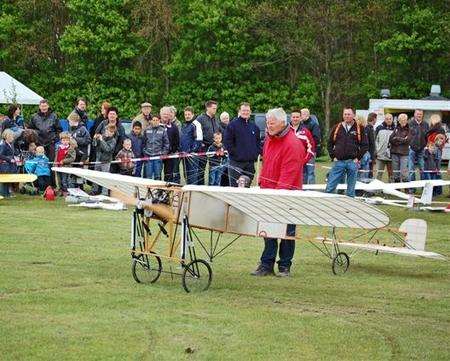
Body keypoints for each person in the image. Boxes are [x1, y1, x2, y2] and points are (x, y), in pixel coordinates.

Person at [251, 108, 306, 277]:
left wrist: (276, 196)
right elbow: (267, 162)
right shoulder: (269, 138)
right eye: (267, 123)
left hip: (287, 195)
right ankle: (266, 264)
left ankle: (284, 265)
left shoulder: (293, 144)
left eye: (272, 123)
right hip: (268, 192)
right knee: (268, 230)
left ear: (283, 122)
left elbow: (288, 175)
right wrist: (261, 182)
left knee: (287, 232)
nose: (268, 126)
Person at [326, 107, 368, 197]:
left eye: (349, 114)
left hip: (352, 162)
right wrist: (333, 156)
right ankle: (327, 203)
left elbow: (365, 145)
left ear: (353, 115)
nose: (347, 116)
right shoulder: (337, 127)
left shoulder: (359, 128)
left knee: (351, 190)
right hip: (339, 162)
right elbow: (329, 143)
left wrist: (358, 158)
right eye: (345, 114)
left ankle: (350, 207)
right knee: (330, 187)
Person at [224, 102, 261, 186]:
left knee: (246, 189)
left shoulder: (254, 127)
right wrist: (236, 154)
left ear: (250, 112)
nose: (245, 112)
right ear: (239, 111)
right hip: (236, 163)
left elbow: (258, 142)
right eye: (243, 110)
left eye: (247, 110)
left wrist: (255, 153)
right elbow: (227, 142)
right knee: (235, 188)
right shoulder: (232, 125)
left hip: (250, 164)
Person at [196, 100, 220, 185]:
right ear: (208, 108)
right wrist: (200, 143)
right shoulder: (200, 118)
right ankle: (200, 187)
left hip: (214, 147)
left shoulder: (216, 119)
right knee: (201, 170)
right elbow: (196, 132)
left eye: (216, 108)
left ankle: (212, 186)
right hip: (204, 148)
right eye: (214, 108)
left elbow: (218, 132)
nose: (215, 110)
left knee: (214, 169)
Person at [291, 109, 315, 183]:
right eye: (293, 117)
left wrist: (304, 160)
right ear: (291, 118)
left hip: (301, 166)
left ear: (300, 118)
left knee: (301, 187)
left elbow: (311, 148)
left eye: (297, 117)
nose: (295, 119)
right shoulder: (285, 131)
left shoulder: (306, 132)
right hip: (288, 165)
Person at [91, 124, 117, 194]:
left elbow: (107, 149)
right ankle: (94, 190)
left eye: (109, 132)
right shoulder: (102, 136)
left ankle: (104, 192)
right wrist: (95, 139)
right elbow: (94, 145)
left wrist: (101, 140)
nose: (107, 133)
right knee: (96, 176)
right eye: (106, 131)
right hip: (98, 159)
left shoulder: (113, 141)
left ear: (113, 133)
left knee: (105, 177)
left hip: (106, 161)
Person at [180, 106, 203, 184]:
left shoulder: (196, 124)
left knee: (193, 175)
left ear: (193, 114)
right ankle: (188, 192)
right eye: (185, 114)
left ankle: (193, 193)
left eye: (189, 114)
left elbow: (199, 140)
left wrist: (192, 151)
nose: (187, 116)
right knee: (186, 175)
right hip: (184, 154)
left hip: (192, 155)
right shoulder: (184, 125)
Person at [299, 108, 321, 183]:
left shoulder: (314, 125)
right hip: (301, 152)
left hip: (310, 152)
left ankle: (312, 189)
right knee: (303, 172)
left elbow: (316, 138)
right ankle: (303, 188)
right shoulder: (300, 125)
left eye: (301, 115)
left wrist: (308, 147)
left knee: (310, 172)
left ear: (306, 115)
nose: (300, 117)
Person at [408, 109, 429, 183]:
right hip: (411, 149)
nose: (419, 115)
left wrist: (426, 146)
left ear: (422, 115)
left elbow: (427, 136)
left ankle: (423, 186)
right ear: (414, 114)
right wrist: (409, 145)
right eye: (418, 114)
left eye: (420, 114)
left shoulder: (426, 124)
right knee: (411, 169)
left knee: (423, 168)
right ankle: (412, 188)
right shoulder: (410, 123)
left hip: (422, 149)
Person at [160, 106, 180, 183]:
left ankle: (167, 192)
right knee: (157, 175)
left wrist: (172, 150)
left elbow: (177, 141)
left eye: (167, 114)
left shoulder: (174, 127)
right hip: (158, 154)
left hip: (169, 155)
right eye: (164, 114)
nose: (166, 115)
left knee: (168, 175)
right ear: (160, 114)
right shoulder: (156, 125)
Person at [389, 113, 410, 183]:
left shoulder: (409, 129)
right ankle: (397, 189)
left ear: (406, 121)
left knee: (404, 173)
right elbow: (391, 139)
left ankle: (407, 190)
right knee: (396, 174)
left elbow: (407, 140)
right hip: (394, 153)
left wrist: (397, 138)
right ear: (399, 121)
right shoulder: (396, 129)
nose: (403, 122)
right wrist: (401, 139)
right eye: (401, 120)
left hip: (404, 154)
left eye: (404, 120)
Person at [89, 101, 110, 166]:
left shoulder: (109, 120)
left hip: (104, 144)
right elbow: (93, 130)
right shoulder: (98, 119)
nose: (101, 110)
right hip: (96, 144)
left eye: (103, 108)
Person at [375, 113, 394, 181]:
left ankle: (392, 188)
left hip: (391, 156)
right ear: (384, 119)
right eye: (387, 119)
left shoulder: (396, 128)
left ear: (392, 119)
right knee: (378, 174)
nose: (388, 120)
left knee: (392, 174)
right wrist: (377, 150)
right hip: (381, 155)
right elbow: (375, 141)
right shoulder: (379, 128)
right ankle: (377, 190)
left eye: (390, 119)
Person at [0, 129, 18, 197]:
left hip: (9, 166)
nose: (13, 138)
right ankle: (3, 194)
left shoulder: (10, 144)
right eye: (12, 137)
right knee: (4, 180)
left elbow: (11, 154)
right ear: (7, 136)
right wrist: (9, 160)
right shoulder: (3, 145)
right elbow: (0, 155)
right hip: (4, 166)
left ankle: (7, 193)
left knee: (8, 179)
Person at [356, 115, 371, 181]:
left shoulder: (360, 131)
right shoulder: (366, 130)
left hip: (361, 154)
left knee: (358, 172)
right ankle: (361, 188)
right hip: (366, 153)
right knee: (364, 172)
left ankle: (358, 189)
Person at [366, 112, 377, 178]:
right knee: (368, 172)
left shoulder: (371, 128)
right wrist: (371, 156)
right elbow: (371, 143)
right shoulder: (368, 128)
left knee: (370, 171)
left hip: (371, 153)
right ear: (374, 119)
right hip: (369, 154)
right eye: (376, 118)